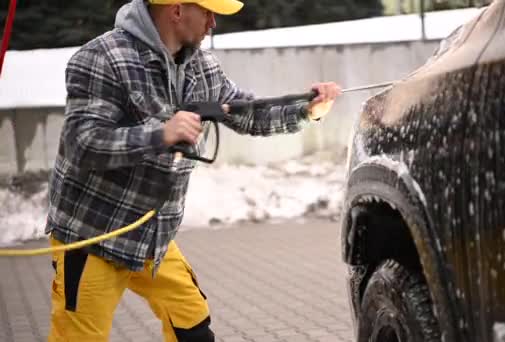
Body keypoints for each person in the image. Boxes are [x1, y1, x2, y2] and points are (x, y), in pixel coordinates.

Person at [45, 0, 342, 341]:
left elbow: (250, 114)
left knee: (194, 328)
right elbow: (84, 143)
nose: (213, 23)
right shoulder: (102, 58)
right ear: (176, 10)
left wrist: (308, 110)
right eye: (208, 12)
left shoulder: (202, 67)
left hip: (151, 237)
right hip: (94, 235)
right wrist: (161, 135)